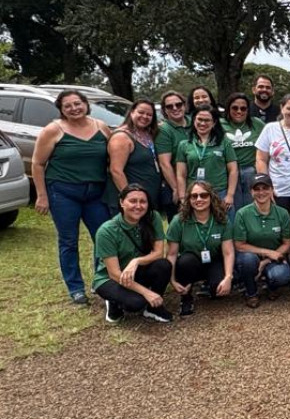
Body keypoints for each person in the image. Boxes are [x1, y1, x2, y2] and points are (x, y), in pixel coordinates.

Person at [32, 89, 112, 305]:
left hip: (96, 192)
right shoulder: (53, 130)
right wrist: (42, 196)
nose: (74, 108)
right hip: (63, 192)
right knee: (69, 241)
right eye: (68, 106)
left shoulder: (101, 127)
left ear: (86, 104)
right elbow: (38, 164)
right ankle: (75, 288)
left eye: (78, 103)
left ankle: (101, 280)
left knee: (103, 237)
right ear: (61, 110)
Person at [93, 184, 173, 323]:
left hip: (136, 271)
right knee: (135, 304)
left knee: (163, 265)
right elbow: (114, 273)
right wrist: (146, 292)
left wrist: (135, 261)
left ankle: (153, 308)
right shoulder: (106, 231)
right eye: (132, 201)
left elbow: (158, 253)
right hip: (110, 278)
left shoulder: (153, 217)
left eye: (143, 201)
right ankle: (113, 303)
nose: (138, 206)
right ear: (122, 202)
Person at [166, 181, 235, 316]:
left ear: (211, 197)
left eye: (203, 195)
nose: (199, 199)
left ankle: (210, 285)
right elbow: (172, 254)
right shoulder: (179, 221)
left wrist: (228, 277)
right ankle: (186, 297)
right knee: (186, 261)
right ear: (189, 199)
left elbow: (228, 252)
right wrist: (172, 280)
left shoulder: (222, 219)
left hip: (214, 260)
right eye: (194, 196)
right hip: (191, 262)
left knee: (218, 292)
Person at [234, 174, 290, 308]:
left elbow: (287, 243)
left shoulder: (282, 213)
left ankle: (271, 286)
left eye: (265, 188)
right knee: (247, 261)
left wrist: (266, 260)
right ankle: (251, 292)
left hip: (274, 256)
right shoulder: (242, 214)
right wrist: (267, 252)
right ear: (251, 192)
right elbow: (239, 245)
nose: (261, 192)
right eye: (257, 189)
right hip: (251, 256)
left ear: (272, 190)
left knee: (281, 275)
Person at [175, 104, 238, 220]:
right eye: (200, 119)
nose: (203, 123)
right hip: (195, 195)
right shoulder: (184, 145)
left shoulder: (224, 142)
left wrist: (230, 195)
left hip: (220, 193)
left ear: (214, 123)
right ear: (194, 120)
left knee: (225, 227)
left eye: (207, 120)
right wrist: (183, 197)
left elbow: (233, 170)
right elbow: (181, 174)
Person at [103, 99, 161, 215]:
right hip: (130, 204)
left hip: (145, 200)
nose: (145, 116)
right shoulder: (122, 137)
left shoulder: (147, 134)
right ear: (131, 112)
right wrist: (130, 197)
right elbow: (116, 171)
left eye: (149, 114)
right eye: (141, 112)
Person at [222, 93, 266, 213]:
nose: (239, 111)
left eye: (243, 108)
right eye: (235, 108)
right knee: (232, 209)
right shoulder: (220, 124)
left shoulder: (256, 123)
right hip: (229, 173)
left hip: (251, 171)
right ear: (228, 109)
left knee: (251, 208)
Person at [155, 90, 192, 219]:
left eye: (178, 104)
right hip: (176, 183)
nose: (175, 108)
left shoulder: (195, 122)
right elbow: (164, 163)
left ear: (185, 105)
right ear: (164, 110)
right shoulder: (164, 130)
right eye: (169, 106)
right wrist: (177, 189)